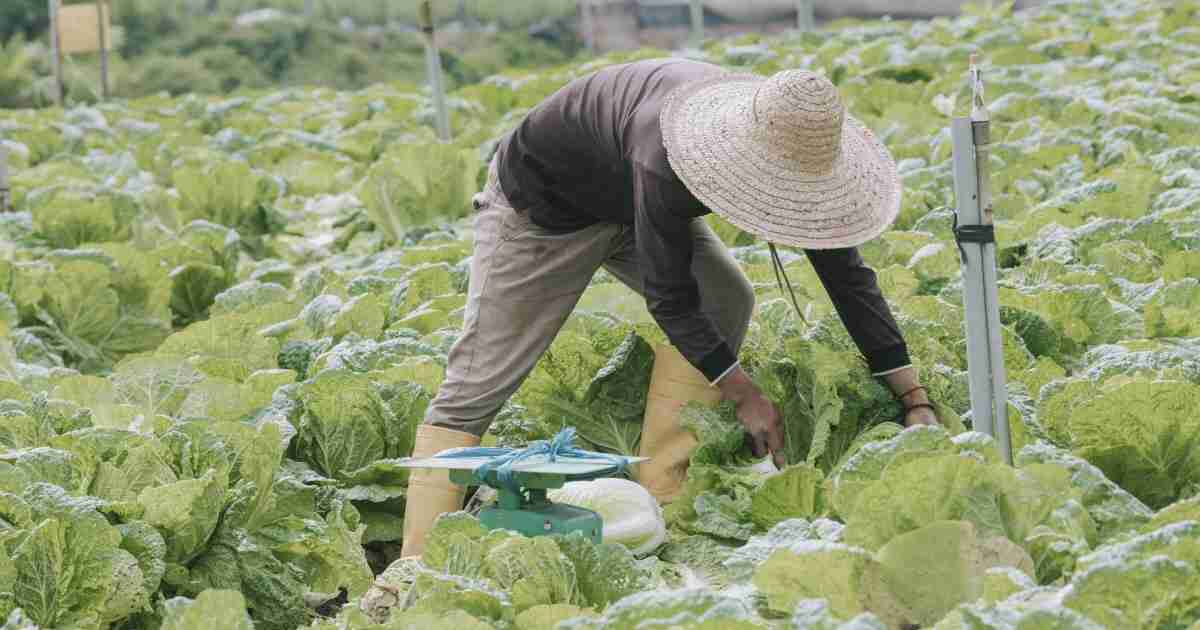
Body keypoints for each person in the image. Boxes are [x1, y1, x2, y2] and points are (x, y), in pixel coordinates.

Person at [400, 58, 938, 558]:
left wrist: (912, 396)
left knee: (725, 298)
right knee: (478, 381)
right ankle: (417, 566)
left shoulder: (789, 133)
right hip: (544, 210)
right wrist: (745, 394)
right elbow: (670, 298)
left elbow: (848, 277)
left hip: (630, 194)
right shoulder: (676, 151)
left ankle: (664, 492)